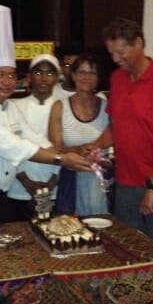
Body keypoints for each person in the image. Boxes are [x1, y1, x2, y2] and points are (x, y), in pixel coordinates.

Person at [0, 4, 92, 226]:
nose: (7, 81)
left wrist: (72, 153)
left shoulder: (9, 107)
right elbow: (15, 146)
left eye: (11, 75)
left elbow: (34, 138)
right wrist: (62, 159)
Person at [89, 17, 153, 250]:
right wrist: (96, 145)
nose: (116, 59)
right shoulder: (117, 79)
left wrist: (151, 187)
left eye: (121, 52)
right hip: (124, 184)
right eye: (111, 53)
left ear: (139, 43)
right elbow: (116, 127)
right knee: (126, 250)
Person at [49, 52, 110, 216]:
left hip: (102, 181)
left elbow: (115, 137)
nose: (87, 77)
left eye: (92, 73)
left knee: (104, 225)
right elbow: (55, 149)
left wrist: (97, 149)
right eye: (82, 72)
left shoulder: (108, 106)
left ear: (98, 77)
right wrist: (78, 149)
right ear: (74, 75)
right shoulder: (60, 107)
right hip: (71, 179)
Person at [8, 54, 62, 219]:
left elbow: (64, 148)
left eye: (50, 73)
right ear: (30, 77)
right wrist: (25, 180)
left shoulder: (65, 107)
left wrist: (52, 183)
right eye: (38, 73)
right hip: (19, 185)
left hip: (55, 186)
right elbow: (10, 146)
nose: (44, 78)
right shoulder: (15, 106)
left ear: (57, 77)